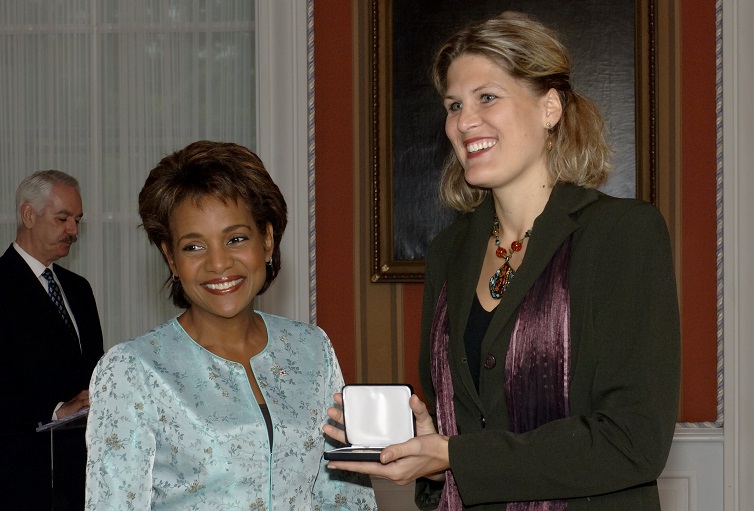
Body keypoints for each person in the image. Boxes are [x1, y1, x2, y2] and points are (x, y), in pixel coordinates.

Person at [324, 11, 680, 510]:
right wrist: (432, 443)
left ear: (549, 107)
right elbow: (465, 433)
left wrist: (456, 453)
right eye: (453, 105)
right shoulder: (452, 250)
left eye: (487, 97)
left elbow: (633, 441)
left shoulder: (622, 234)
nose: (464, 122)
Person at [84, 140, 377, 510]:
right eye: (193, 247)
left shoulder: (311, 349)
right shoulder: (132, 369)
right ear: (170, 258)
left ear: (267, 240)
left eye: (236, 238)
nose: (219, 263)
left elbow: (345, 493)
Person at [0, 170, 105, 510]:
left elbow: (92, 366)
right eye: (63, 218)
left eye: (77, 220)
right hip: (19, 474)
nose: (73, 231)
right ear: (28, 215)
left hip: (78, 473)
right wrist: (56, 411)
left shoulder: (78, 288)